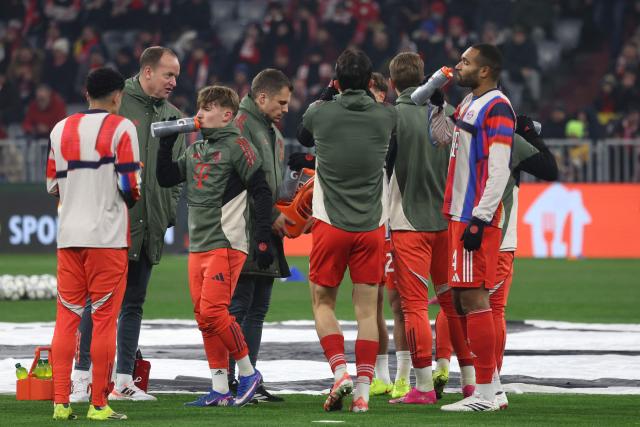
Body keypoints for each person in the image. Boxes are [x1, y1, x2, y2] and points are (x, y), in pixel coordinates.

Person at [70, 46, 185, 402]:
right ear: (147, 72)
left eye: (176, 75)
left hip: (149, 224)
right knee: (99, 303)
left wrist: (166, 213)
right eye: (168, 74)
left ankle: (123, 381)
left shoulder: (174, 116)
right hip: (113, 226)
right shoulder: (118, 106)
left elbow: (176, 175)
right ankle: (82, 377)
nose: (173, 82)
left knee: (134, 303)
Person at [156, 85, 273, 407]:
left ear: (227, 114)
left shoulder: (239, 146)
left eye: (207, 109)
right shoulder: (195, 150)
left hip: (227, 242)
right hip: (199, 245)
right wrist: (167, 145)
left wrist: (263, 239)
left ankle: (249, 374)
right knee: (203, 317)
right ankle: (220, 389)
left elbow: (261, 191)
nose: (200, 114)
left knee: (213, 312)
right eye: (200, 108)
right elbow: (166, 177)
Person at [433, 115, 558, 409]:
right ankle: (490, 385)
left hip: (489, 236)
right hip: (492, 236)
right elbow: (547, 166)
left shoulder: (489, 136)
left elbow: (549, 170)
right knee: (473, 305)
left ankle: (488, 386)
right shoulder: (500, 137)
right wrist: (531, 135)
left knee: (471, 306)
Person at [297, 48, 397, 413]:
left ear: (337, 81)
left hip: (330, 224)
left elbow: (305, 128)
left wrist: (329, 91)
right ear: (371, 83)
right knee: (368, 311)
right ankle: (363, 392)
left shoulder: (320, 113)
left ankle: (340, 372)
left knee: (323, 302)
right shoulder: (387, 116)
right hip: (371, 226)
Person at [48, 67, 141, 421]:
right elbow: (131, 185)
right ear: (118, 95)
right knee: (104, 320)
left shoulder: (60, 129)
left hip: (69, 236)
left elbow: (53, 186)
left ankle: (60, 403)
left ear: (87, 93)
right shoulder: (122, 127)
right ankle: (99, 406)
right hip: (106, 237)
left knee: (66, 318)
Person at [384, 51, 476, 405]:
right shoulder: (451, 114)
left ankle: (423, 385)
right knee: (455, 306)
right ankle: (469, 380)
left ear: (393, 84)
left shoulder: (393, 115)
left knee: (414, 307)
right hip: (447, 221)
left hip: (408, 222)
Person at [430, 43, 515, 412]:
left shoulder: (497, 106)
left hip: (473, 215)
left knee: (474, 299)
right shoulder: (469, 104)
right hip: (460, 213)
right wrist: (437, 107)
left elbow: (499, 168)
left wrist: (480, 218)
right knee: (465, 301)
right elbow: (446, 140)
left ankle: (481, 393)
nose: (458, 66)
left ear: (485, 71)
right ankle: (493, 388)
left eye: (466, 62)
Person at [228, 68, 293, 401]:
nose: (285, 109)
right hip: (242, 230)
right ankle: (229, 379)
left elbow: (269, 186)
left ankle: (248, 377)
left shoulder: (274, 135)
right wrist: (273, 215)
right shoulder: (239, 126)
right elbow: (243, 182)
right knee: (238, 307)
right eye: (281, 102)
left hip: (265, 230)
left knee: (257, 309)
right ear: (262, 97)